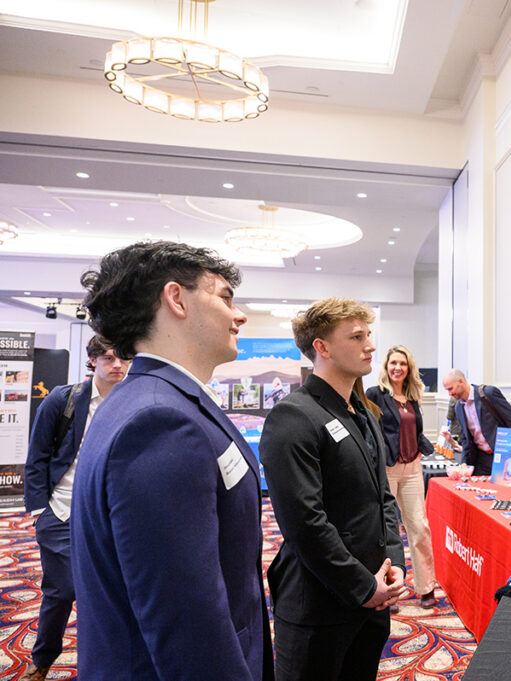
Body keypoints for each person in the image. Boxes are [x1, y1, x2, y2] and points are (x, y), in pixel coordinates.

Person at [71, 241, 274, 680]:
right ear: (176, 299)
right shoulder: (160, 420)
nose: (238, 315)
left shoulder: (152, 401)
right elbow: (186, 620)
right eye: (224, 296)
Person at [260, 298, 406, 681]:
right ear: (321, 347)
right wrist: (361, 586)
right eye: (357, 336)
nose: (370, 345)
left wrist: (395, 566)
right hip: (319, 607)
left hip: (373, 599)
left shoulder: (363, 412)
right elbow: (304, 522)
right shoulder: (293, 415)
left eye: (368, 334)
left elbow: (383, 499)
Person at [21, 336, 127, 681]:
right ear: (93, 360)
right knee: (63, 590)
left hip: (111, 517)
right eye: (109, 358)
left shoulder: (133, 402)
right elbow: (36, 458)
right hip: (61, 511)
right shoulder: (64, 400)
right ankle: (42, 661)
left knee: (112, 593)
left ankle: (109, 666)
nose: (117, 365)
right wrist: (40, 512)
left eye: (123, 358)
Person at [366, 345, 439, 608]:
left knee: (420, 527)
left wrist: (424, 449)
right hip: (386, 469)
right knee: (385, 530)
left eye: (403, 364)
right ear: (386, 367)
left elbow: (414, 431)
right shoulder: (374, 395)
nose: (398, 368)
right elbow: (369, 432)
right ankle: (389, 589)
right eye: (393, 363)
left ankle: (426, 587)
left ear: (409, 369)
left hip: (412, 469)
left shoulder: (412, 397)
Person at [441, 369, 511, 476]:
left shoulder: (488, 393)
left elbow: (510, 418)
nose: (450, 393)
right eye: (447, 390)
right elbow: (466, 439)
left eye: (451, 388)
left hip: (503, 454)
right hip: (481, 458)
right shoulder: (458, 408)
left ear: (461, 381)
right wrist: (464, 465)